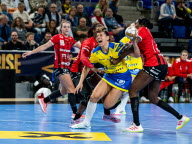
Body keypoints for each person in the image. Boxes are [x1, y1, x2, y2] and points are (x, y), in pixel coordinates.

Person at [111, 18, 190, 132]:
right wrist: (118, 59)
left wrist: (117, 57)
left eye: (136, 22)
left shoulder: (142, 29)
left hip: (153, 63)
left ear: (141, 24)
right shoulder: (144, 33)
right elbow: (131, 50)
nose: (135, 24)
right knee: (153, 97)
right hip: (161, 65)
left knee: (133, 90)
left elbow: (132, 43)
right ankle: (180, 117)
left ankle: (136, 125)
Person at [70, 26, 138, 129]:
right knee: (93, 97)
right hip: (109, 76)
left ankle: (122, 97)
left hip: (123, 78)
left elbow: (136, 55)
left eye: (101, 35)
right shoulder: (96, 52)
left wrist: (134, 42)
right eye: (97, 36)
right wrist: (80, 83)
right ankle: (86, 122)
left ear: (107, 37)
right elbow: (86, 68)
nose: (98, 37)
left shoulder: (117, 47)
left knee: (107, 105)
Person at [22, 21, 81, 115]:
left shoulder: (70, 39)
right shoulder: (57, 37)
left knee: (64, 91)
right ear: (61, 28)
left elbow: (82, 47)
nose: (66, 28)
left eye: (68, 27)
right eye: (64, 27)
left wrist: (94, 49)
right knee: (71, 89)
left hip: (66, 67)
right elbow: (44, 46)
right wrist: (31, 52)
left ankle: (44, 100)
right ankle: (76, 113)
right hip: (59, 67)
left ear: (70, 29)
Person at [70, 24, 120, 125]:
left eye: (101, 32)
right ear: (93, 31)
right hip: (79, 71)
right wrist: (94, 68)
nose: (99, 35)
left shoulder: (101, 43)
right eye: (97, 32)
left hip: (91, 72)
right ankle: (76, 119)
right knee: (88, 96)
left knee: (103, 91)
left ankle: (107, 114)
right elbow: (83, 59)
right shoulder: (87, 42)